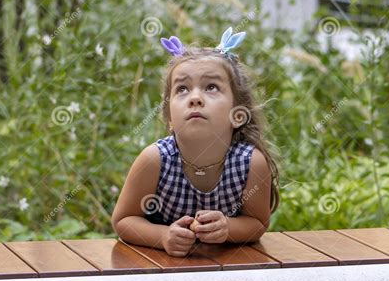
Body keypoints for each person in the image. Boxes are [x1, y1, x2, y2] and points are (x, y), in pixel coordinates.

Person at [112, 27, 280, 257]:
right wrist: (163, 237)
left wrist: (228, 228)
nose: (195, 98)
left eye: (211, 87)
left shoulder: (251, 163)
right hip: (158, 271)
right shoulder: (155, 160)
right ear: (170, 118)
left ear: (237, 113)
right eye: (182, 89)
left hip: (224, 270)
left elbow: (257, 223)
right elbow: (123, 220)